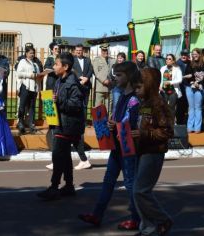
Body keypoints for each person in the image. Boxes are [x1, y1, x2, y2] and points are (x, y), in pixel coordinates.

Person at [78, 62, 141, 230]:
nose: (116, 77)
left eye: (120, 75)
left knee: (130, 184)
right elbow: (116, 116)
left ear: (129, 76)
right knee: (108, 182)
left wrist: (116, 124)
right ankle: (97, 215)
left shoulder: (134, 99)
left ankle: (136, 218)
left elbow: (130, 122)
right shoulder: (121, 96)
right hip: (117, 146)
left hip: (127, 147)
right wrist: (107, 123)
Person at [37, 52, 86, 201]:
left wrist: (58, 101)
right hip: (60, 123)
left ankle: (54, 187)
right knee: (64, 156)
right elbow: (58, 101)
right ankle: (69, 185)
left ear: (65, 67)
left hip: (68, 125)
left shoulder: (73, 83)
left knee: (58, 155)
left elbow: (76, 105)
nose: (54, 66)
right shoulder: (59, 80)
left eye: (57, 64)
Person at [132, 68, 174, 236]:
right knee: (138, 192)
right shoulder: (145, 104)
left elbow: (167, 132)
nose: (136, 90)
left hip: (154, 153)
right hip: (141, 150)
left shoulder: (159, 104)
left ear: (149, 85)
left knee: (140, 191)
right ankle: (148, 228)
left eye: (139, 87)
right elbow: (143, 125)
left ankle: (163, 220)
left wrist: (144, 134)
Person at [16, 47, 41, 134]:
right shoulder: (23, 62)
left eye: (33, 53)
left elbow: (37, 75)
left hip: (33, 88)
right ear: (26, 53)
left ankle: (31, 124)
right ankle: (20, 123)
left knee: (32, 107)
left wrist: (40, 76)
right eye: (30, 53)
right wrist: (30, 75)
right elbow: (19, 73)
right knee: (22, 106)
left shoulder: (35, 64)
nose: (32, 54)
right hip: (25, 87)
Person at [184, 48, 204, 133]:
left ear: (200, 54)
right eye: (193, 54)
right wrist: (192, 82)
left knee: (198, 108)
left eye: (196, 54)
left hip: (199, 88)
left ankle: (197, 128)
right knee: (191, 108)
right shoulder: (189, 64)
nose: (194, 55)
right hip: (190, 87)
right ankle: (190, 127)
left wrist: (199, 83)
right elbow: (187, 75)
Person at [93, 43, 115, 110]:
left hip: (109, 87)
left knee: (109, 108)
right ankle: (97, 120)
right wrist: (104, 80)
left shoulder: (112, 60)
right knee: (98, 107)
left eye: (106, 50)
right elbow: (96, 72)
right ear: (101, 51)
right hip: (100, 88)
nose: (105, 52)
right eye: (103, 50)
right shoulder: (96, 60)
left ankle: (108, 120)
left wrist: (110, 80)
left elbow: (114, 72)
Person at [160, 54, 182, 120]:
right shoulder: (163, 68)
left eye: (169, 59)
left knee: (171, 107)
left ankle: (171, 123)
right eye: (166, 58)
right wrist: (160, 86)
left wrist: (170, 82)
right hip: (164, 91)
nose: (167, 60)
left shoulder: (177, 69)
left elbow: (180, 80)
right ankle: (164, 123)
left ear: (173, 61)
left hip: (173, 91)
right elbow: (160, 79)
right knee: (164, 107)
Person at [176, 49, 191, 125]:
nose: (183, 56)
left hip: (188, 87)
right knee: (180, 106)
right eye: (182, 55)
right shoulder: (177, 63)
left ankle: (185, 122)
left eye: (185, 55)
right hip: (180, 87)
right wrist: (185, 77)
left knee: (187, 105)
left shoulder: (190, 63)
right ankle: (179, 123)